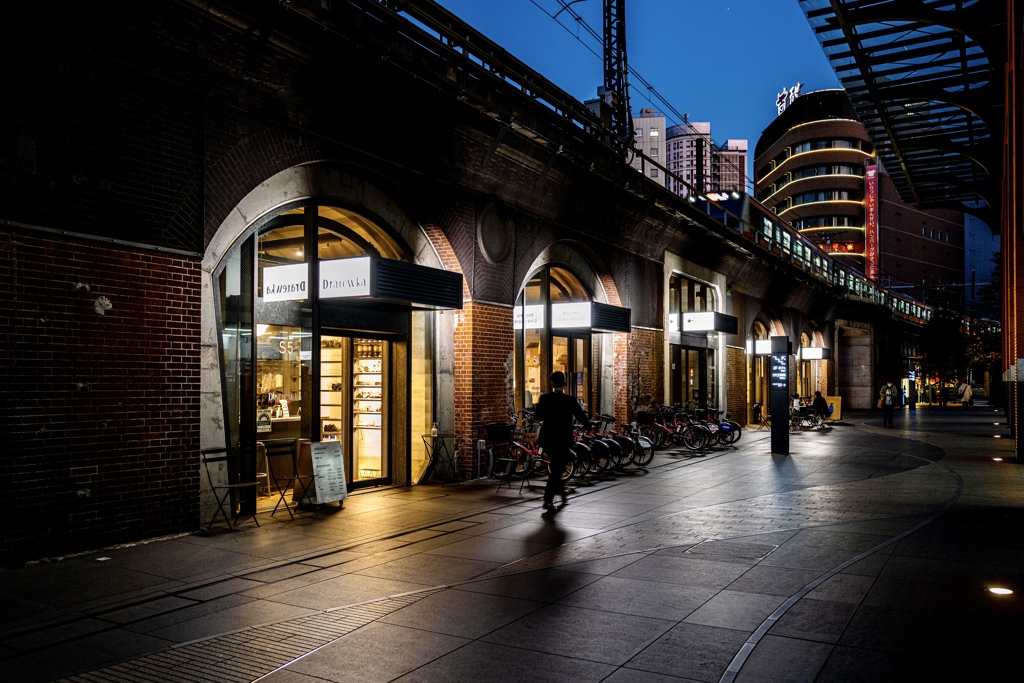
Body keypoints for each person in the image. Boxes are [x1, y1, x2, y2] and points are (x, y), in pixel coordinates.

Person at [532, 371, 588, 512]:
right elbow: (580, 415)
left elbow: (538, 416)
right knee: (557, 469)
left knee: (558, 466)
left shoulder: (545, 398)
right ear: (564, 383)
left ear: (552, 383)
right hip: (563, 438)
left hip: (548, 438)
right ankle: (547, 500)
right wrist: (589, 427)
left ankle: (562, 494)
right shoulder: (570, 399)